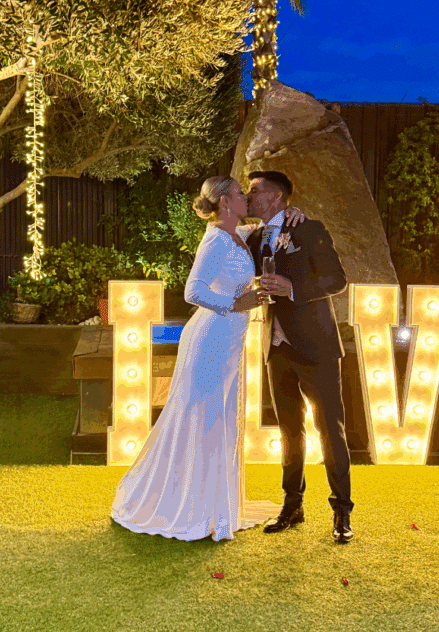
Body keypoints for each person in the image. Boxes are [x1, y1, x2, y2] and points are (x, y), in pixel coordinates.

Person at [111, 176, 306, 542]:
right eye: (239, 192)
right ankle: (192, 509)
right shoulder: (216, 239)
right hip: (210, 339)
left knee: (219, 419)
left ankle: (214, 505)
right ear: (225, 202)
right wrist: (234, 302)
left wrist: (291, 211)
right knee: (204, 419)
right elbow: (192, 290)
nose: (246, 196)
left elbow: (270, 226)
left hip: (228, 340)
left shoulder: (238, 233)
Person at [245, 171, 355, 544]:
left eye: (255, 190)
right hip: (275, 348)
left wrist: (293, 288)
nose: (249, 195)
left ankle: (342, 511)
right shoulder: (255, 237)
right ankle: (293, 505)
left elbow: (337, 279)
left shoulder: (308, 228)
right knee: (289, 431)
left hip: (316, 347)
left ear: (277, 196)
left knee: (330, 430)